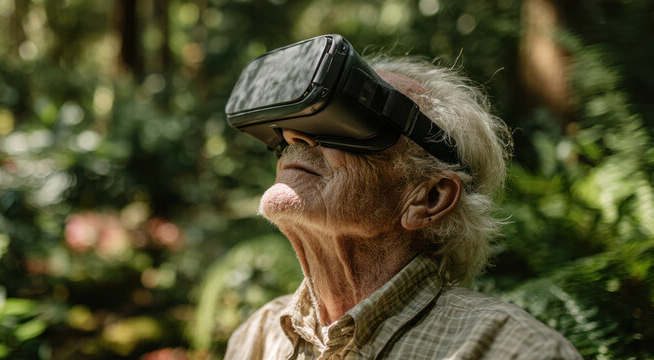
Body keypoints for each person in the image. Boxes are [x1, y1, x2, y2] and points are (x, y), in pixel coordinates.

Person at [223, 57, 582, 359]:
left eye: (349, 121)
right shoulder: (257, 337)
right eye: (294, 122)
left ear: (429, 199)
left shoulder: (515, 350)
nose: (293, 137)